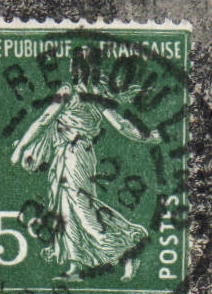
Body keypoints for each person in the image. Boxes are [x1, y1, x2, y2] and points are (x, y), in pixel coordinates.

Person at [11, 67, 160, 280]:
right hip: (66, 156)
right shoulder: (96, 96)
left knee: (83, 210)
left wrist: (19, 150)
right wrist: (150, 137)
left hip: (75, 156)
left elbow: (43, 121)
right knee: (65, 209)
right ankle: (75, 266)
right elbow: (124, 127)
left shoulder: (72, 92)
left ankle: (129, 249)